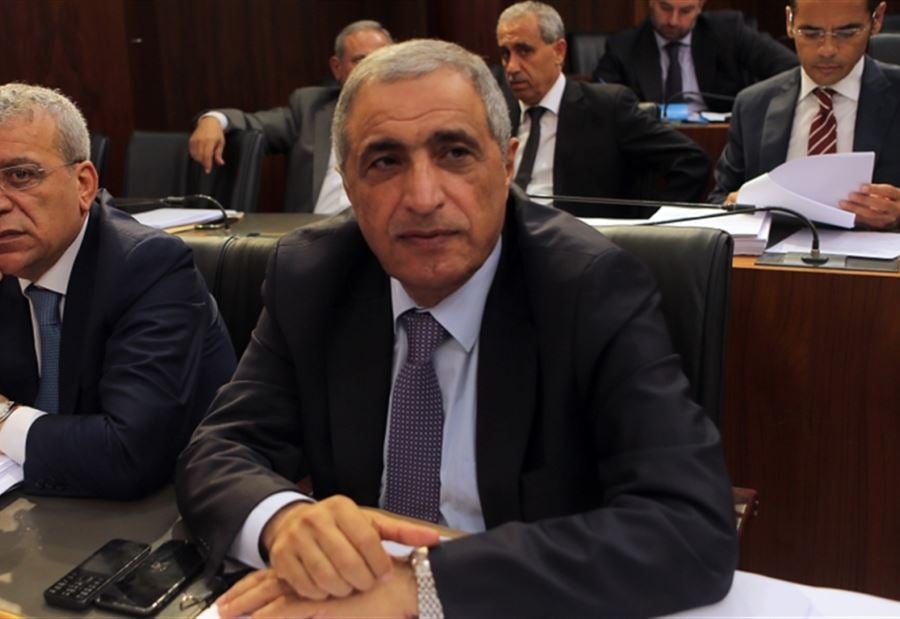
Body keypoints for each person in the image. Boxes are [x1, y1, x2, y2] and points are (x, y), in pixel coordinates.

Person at [175, 38, 737, 618]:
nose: (423, 198)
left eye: (455, 153)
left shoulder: (589, 288)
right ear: (347, 181)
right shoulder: (313, 276)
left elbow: (690, 527)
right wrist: (284, 520)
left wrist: (422, 585)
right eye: (386, 162)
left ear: (508, 162)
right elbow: (219, 449)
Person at [0, 83, 236, 499]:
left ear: (84, 184)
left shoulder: (149, 266)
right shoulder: (10, 268)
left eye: (21, 175)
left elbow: (127, 455)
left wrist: (2, 417)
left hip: (172, 511)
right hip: (40, 503)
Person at [495, 1, 710, 219]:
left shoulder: (607, 108)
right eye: (505, 54)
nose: (511, 67)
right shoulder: (497, 112)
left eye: (524, 51)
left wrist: (656, 225)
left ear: (559, 52)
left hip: (576, 235)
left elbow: (692, 162)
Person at [709, 0, 900, 230]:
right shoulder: (753, 105)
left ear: (876, 19)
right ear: (790, 21)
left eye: (846, 33)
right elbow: (718, 201)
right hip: (775, 251)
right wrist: (733, 206)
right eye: (811, 33)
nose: (827, 50)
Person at [188, 20, 392, 214]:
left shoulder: (407, 113)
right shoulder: (309, 108)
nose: (371, 69)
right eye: (360, 60)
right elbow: (255, 124)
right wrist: (214, 120)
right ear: (337, 68)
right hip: (317, 229)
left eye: (381, 59)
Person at [593, 0, 798, 113]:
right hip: (650, 147)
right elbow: (599, 97)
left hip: (721, 142)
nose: (673, 20)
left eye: (685, 11)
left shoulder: (728, 31)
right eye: (665, 8)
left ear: (700, 7)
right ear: (651, 2)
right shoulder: (623, 45)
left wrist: (758, 109)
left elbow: (790, 68)